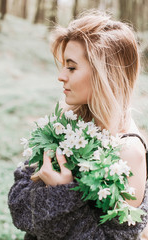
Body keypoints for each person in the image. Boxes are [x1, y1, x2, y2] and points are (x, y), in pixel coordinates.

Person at [8, 10, 148, 240]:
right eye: (63, 66)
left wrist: (62, 193)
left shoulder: (128, 151)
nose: (61, 76)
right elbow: (18, 208)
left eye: (71, 67)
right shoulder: (71, 119)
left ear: (106, 74)